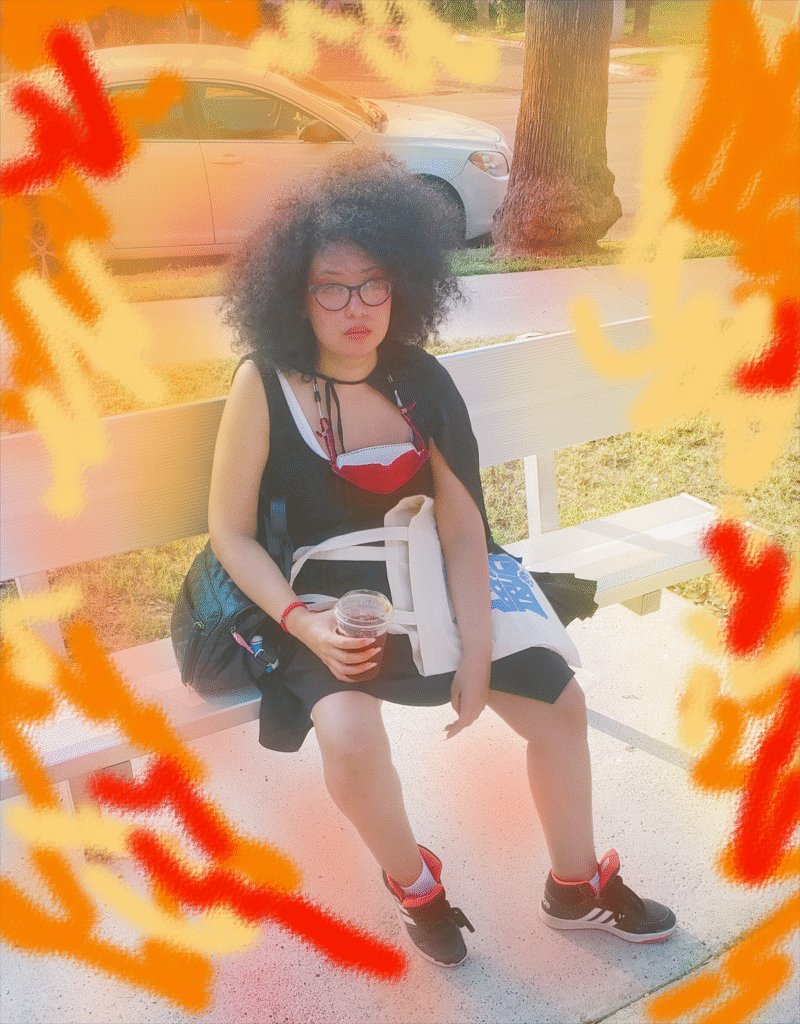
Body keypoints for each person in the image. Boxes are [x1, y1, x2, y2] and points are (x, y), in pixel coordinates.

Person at [208, 151, 676, 968]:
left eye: (373, 283)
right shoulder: (264, 384)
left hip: (436, 568)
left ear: (403, 283)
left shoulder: (422, 381)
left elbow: (463, 533)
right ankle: (416, 886)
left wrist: (479, 654)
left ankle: (574, 886)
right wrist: (302, 623)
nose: (356, 306)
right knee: (349, 736)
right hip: (322, 595)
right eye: (330, 287)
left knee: (559, 706)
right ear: (294, 294)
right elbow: (229, 534)